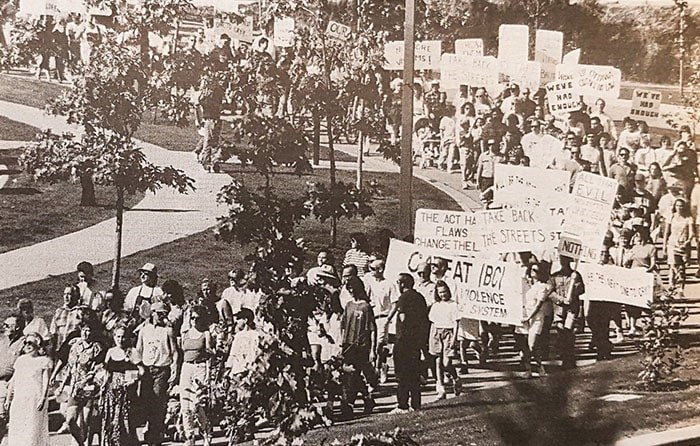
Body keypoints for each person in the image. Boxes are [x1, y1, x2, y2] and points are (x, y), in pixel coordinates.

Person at [53, 319, 105, 446]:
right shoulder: (75, 347)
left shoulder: (97, 348)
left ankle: (85, 442)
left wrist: (86, 380)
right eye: (83, 330)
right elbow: (70, 368)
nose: (86, 333)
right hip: (76, 389)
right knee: (70, 420)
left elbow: (98, 369)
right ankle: (81, 443)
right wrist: (62, 385)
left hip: (90, 389)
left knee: (86, 421)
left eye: (89, 330)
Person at [134, 302, 179, 446]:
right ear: (152, 313)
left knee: (158, 402)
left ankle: (155, 435)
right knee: (146, 402)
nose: (162, 316)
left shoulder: (168, 330)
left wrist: (174, 370)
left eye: (164, 313)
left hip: (161, 370)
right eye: (159, 313)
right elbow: (138, 351)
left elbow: (175, 352)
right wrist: (137, 369)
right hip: (147, 371)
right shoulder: (144, 330)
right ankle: (151, 429)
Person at [387, 273, 428, 413]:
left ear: (402, 283)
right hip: (416, 341)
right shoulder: (419, 297)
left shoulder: (403, 298)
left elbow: (403, 318)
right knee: (414, 373)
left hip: (404, 341)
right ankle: (416, 404)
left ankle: (402, 404)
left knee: (402, 374)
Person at [339, 276, 377, 417]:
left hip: (361, 345)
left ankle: (349, 405)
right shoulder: (348, 305)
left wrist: (372, 350)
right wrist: (341, 343)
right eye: (349, 289)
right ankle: (367, 398)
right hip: (348, 344)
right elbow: (343, 325)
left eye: (353, 289)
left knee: (354, 374)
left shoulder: (365, 307)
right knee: (351, 374)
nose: (352, 292)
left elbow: (372, 329)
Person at [5, 334, 51, 446]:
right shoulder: (20, 360)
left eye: (30, 343)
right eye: (26, 343)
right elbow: (13, 381)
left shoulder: (44, 361)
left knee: (33, 428)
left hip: (34, 399)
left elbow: (46, 382)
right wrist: (8, 399)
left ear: (38, 345)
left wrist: (43, 398)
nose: (27, 345)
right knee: (18, 426)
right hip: (20, 399)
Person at [101, 325, 141, 446]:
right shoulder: (110, 352)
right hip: (111, 393)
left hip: (126, 394)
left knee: (126, 423)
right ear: (114, 337)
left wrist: (132, 380)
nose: (120, 339)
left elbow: (142, 370)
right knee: (112, 422)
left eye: (123, 337)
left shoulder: (132, 351)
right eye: (118, 336)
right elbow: (106, 371)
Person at [179, 305, 214, 446]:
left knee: (198, 404)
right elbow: (182, 351)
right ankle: (189, 435)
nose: (194, 321)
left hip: (200, 367)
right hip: (186, 367)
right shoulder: (185, 333)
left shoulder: (206, 334)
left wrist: (208, 373)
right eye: (192, 317)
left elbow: (210, 354)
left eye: (197, 318)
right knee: (185, 404)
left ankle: (206, 432)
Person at [362, 259, 397, 384]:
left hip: (383, 318)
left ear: (380, 269)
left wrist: (388, 319)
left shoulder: (389, 284)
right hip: (371, 317)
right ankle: (380, 367)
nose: (370, 271)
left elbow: (395, 304)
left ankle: (378, 370)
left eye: (373, 268)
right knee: (371, 344)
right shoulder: (369, 282)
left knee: (378, 345)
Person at [549, 256, 584, 370]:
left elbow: (582, 290)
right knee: (561, 332)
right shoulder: (555, 276)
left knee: (568, 332)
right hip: (559, 310)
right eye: (562, 261)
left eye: (566, 261)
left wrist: (575, 287)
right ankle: (565, 356)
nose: (564, 263)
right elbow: (550, 292)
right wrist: (560, 299)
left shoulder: (576, 275)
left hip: (571, 309)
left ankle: (569, 357)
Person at [428, 281, 461, 399]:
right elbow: (432, 322)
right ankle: (440, 388)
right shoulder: (436, 305)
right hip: (436, 332)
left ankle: (456, 378)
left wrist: (454, 339)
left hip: (449, 333)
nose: (443, 294)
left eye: (445, 292)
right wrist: (432, 337)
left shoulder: (453, 305)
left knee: (446, 363)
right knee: (437, 362)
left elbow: (456, 323)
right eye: (440, 292)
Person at [518, 263, 552, 378]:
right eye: (531, 269)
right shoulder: (527, 284)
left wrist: (529, 317)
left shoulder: (542, 287)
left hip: (536, 318)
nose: (532, 271)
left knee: (532, 344)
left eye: (535, 270)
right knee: (524, 346)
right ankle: (528, 370)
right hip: (524, 317)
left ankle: (539, 366)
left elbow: (538, 305)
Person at [624, 226, 657, 335]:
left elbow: (653, 263)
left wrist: (647, 271)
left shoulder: (651, 247)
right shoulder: (634, 248)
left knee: (647, 302)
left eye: (639, 234)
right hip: (633, 275)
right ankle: (632, 327)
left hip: (645, 274)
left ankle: (650, 326)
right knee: (632, 301)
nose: (637, 236)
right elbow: (628, 262)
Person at [0, 314, 26, 439]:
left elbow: (25, 366)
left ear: (17, 327)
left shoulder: (24, 343)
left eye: (7, 325)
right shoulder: (2, 341)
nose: (3, 327)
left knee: (2, 416)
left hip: (10, 384)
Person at [664, 198, 695, 296]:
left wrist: (687, 241)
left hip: (683, 245)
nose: (679, 208)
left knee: (682, 267)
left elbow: (692, 233)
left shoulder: (688, 218)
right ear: (674, 206)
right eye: (677, 206)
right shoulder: (671, 217)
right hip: (672, 244)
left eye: (681, 206)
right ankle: (671, 286)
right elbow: (666, 232)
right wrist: (664, 246)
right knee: (672, 265)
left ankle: (681, 289)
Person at [50, 284, 83, 353]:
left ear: (77, 296)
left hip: (75, 350)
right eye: (65, 294)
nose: (66, 297)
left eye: (69, 294)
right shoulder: (59, 312)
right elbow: (53, 333)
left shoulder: (81, 312)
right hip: (59, 350)